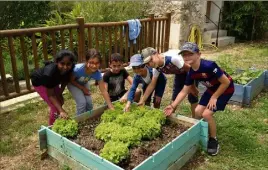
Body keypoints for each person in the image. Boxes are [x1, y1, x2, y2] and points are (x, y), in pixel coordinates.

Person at [164, 42, 234, 156]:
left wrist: (214, 97)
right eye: (184, 55)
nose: (186, 57)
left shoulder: (209, 66)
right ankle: (200, 132)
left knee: (206, 114)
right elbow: (184, 91)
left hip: (225, 89)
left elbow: (226, 82)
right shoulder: (191, 72)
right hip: (212, 89)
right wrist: (172, 106)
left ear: (199, 54)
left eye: (190, 54)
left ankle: (213, 139)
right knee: (197, 111)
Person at [138, 47, 199, 117]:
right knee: (175, 97)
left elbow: (189, 69)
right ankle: (170, 115)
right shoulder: (156, 68)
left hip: (190, 71)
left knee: (193, 96)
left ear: (156, 53)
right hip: (179, 73)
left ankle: (195, 119)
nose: (150, 64)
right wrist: (142, 100)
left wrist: (192, 87)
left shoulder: (173, 59)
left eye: (151, 59)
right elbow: (152, 84)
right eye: (147, 64)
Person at [30, 50, 76, 125]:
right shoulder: (49, 73)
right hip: (40, 83)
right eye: (62, 63)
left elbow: (65, 81)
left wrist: (60, 93)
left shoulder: (70, 69)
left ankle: (58, 118)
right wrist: (61, 110)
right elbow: (51, 95)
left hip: (53, 82)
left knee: (60, 101)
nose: (65, 67)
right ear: (57, 62)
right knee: (55, 107)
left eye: (68, 64)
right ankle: (52, 127)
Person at [67, 49, 114, 115]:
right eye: (91, 62)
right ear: (86, 61)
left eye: (97, 63)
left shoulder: (97, 74)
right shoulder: (78, 69)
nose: (94, 66)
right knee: (82, 102)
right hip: (72, 83)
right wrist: (83, 88)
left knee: (89, 103)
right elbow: (71, 80)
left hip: (84, 82)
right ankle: (79, 120)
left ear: (100, 63)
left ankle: (89, 117)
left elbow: (103, 91)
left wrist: (111, 106)